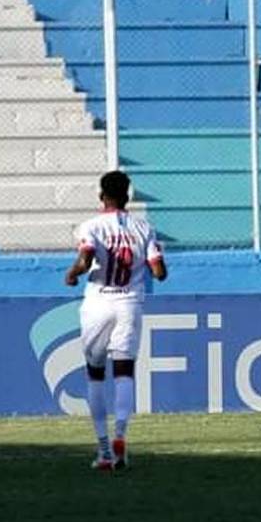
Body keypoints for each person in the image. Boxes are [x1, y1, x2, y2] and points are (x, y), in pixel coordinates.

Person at [64, 169, 166, 470]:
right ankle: (121, 435)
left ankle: (104, 450)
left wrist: (72, 273)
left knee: (95, 374)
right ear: (128, 196)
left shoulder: (92, 226)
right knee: (124, 372)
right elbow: (159, 272)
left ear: (101, 196)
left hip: (98, 303)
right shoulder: (144, 228)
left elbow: (85, 259)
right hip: (129, 304)